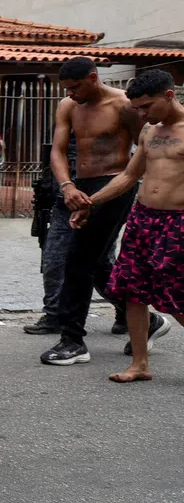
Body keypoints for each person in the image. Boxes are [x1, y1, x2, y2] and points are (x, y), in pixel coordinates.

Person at [37, 57, 160, 366]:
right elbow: (58, 150)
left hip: (115, 187)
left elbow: (143, 153)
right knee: (97, 264)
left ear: (93, 78)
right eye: (66, 88)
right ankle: (145, 321)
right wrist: (66, 186)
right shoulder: (68, 105)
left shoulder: (123, 105)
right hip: (79, 186)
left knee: (78, 260)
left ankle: (72, 339)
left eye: (76, 87)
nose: (71, 93)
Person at [70, 70, 183, 382]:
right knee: (133, 290)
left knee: (176, 295)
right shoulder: (149, 131)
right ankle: (140, 365)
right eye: (139, 108)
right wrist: (91, 203)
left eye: (147, 106)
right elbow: (129, 175)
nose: (143, 114)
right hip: (143, 219)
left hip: (178, 223)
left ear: (169, 96)